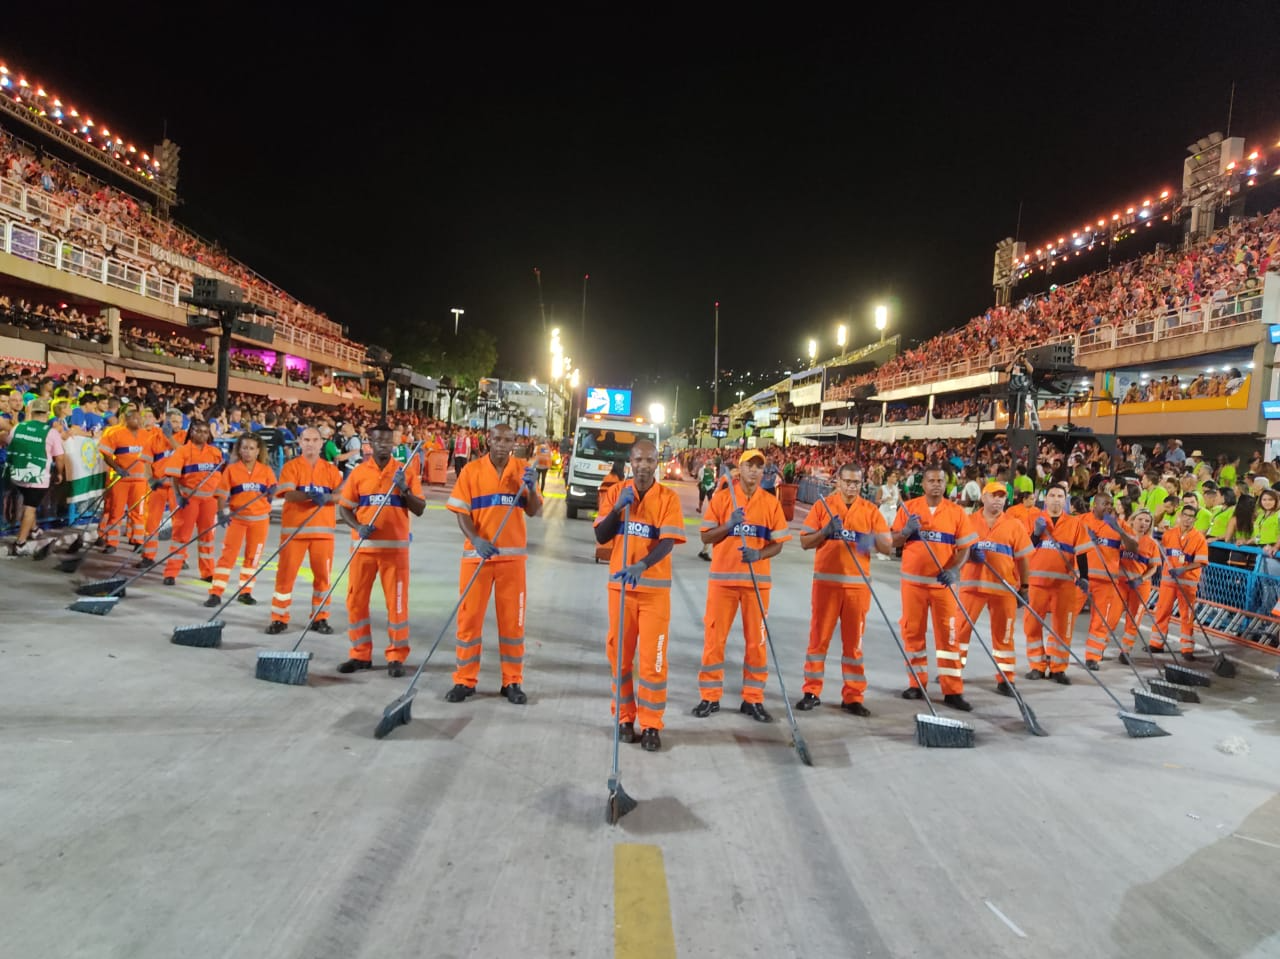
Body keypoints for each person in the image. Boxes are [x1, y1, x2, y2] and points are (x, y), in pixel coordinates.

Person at [593, 440, 686, 751]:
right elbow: (601, 535)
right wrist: (619, 507)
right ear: (630, 461)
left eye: (650, 460)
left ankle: (651, 724)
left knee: (653, 662)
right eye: (638, 460)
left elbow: (668, 542)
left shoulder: (668, 498)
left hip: (654, 594)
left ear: (657, 462)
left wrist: (642, 565)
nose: (644, 465)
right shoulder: (615, 492)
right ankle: (623, 717)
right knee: (619, 658)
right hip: (620, 592)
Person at [693, 448, 792, 722]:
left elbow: (778, 545)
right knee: (714, 641)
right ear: (740, 468)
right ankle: (710, 697)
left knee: (756, 644)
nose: (755, 471)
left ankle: (753, 699)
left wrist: (759, 554)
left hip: (756, 586)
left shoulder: (770, 503)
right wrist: (729, 525)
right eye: (750, 465)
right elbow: (707, 536)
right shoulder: (723, 498)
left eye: (760, 467)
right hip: (723, 584)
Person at [444, 423, 541, 701]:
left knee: (513, 623)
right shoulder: (472, 471)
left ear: (514, 443)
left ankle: (512, 681)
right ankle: (465, 680)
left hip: (512, 561)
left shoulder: (522, 470)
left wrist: (531, 490)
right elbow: (461, 511)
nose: (501, 444)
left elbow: (533, 511)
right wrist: (475, 540)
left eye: (507, 440)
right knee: (469, 620)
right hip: (477, 559)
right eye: (497, 438)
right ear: (488, 440)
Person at [796, 462, 891, 716]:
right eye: (847, 481)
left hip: (857, 589)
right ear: (837, 481)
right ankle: (812, 691)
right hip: (826, 585)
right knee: (818, 640)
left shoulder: (870, 511)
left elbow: (887, 545)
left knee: (854, 645)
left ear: (862, 484)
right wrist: (826, 532)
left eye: (856, 483)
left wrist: (862, 539)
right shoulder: (823, 506)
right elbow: (805, 541)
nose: (851, 486)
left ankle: (853, 696)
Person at [337, 423, 426, 677]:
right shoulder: (358, 473)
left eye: (388, 442)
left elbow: (419, 508)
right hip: (363, 550)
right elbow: (344, 508)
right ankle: (359, 654)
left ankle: (396, 657)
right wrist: (358, 525)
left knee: (397, 606)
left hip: (395, 553)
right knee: (356, 602)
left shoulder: (405, 472)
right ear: (370, 443)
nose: (383, 446)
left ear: (394, 444)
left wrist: (404, 489)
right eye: (379, 442)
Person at [890, 463, 977, 710]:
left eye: (940, 481)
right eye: (931, 480)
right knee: (913, 633)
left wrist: (954, 569)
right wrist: (906, 532)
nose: (936, 485)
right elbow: (893, 540)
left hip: (943, 587)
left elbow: (964, 548)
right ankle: (916, 684)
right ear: (924, 483)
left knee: (948, 637)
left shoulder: (956, 512)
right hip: (913, 585)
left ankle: (953, 690)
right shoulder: (909, 509)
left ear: (946, 484)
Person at [955, 482, 1033, 695]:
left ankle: (1006, 679)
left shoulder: (1015, 525)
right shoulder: (968, 522)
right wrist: (969, 555)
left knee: (1004, 636)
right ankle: (953, 672)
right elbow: (957, 552)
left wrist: (1024, 587)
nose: (998, 500)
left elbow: (1023, 559)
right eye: (993, 495)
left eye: (1001, 496)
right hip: (972, 586)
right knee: (960, 631)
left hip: (1004, 588)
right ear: (983, 497)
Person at [267, 427, 343, 635]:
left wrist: (327, 498)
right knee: (285, 576)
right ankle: (279, 618)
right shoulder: (291, 467)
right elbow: (289, 495)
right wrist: (311, 495)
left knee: (322, 578)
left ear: (322, 443)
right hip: (295, 533)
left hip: (323, 534)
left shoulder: (330, 470)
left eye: (315, 440)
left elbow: (341, 495)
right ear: (300, 442)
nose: (310, 443)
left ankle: (320, 617)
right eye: (306, 439)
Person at [1023, 485, 1088, 681]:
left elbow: (1082, 552)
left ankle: (1059, 668)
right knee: (1032, 625)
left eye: (1060, 496)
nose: (1056, 499)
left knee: (1063, 627)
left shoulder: (1075, 523)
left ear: (1065, 500)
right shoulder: (1033, 519)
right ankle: (1037, 665)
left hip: (1064, 585)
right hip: (1037, 583)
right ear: (1045, 499)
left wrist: (1084, 576)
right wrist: (1035, 534)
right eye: (1052, 495)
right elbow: (1023, 548)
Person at [205, 434, 276, 608]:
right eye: (244, 448)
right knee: (227, 556)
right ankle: (216, 593)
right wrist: (221, 512)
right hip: (238, 519)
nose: (248, 452)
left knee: (253, 558)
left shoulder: (266, 470)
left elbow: (273, 493)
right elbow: (222, 493)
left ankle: (245, 591)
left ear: (258, 451)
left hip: (260, 521)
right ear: (239, 449)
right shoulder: (231, 469)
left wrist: (273, 490)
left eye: (252, 448)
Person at [1078, 494, 1140, 669]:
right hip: (1080, 578)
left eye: (1111, 504)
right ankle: (1056, 657)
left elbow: (1134, 548)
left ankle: (1093, 657)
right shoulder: (1081, 521)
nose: (1109, 507)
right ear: (1094, 505)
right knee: (1066, 615)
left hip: (1106, 581)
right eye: (1105, 503)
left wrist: (1119, 531)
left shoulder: (1119, 524)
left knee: (1100, 621)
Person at [162, 420, 223, 585]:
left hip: (209, 500)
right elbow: (173, 475)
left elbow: (220, 477)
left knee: (207, 536)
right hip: (189, 500)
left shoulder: (215, 452)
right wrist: (178, 496)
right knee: (181, 536)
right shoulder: (182, 451)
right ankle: (171, 572)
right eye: (198, 431)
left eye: (205, 432)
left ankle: (207, 571)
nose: (202, 435)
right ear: (192, 432)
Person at [5, 398, 65, 558]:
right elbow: (59, 458)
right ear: (47, 413)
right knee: (30, 509)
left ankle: (34, 530)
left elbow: (9, 442)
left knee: (27, 502)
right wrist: (59, 473)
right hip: (37, 477)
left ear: (31, 412)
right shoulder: (51, 432)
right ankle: (20, 544)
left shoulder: (18, 426)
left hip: (16, 474)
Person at [1151, 505, 1209, 659]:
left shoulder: (1199, 538)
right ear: (1180, 516)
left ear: (1195, 520)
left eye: (1191, 517)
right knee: (1162, 611)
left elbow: (1201, 562)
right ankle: (1156, 644)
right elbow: (1159, 549)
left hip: (1187, 583)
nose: (1187, 519)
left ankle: (1187, 649)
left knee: (1187, 615)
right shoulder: (1169, 534)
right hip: (1168, 581)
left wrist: (1182, 570)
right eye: (1185, 515)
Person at [96, 405, 153, 553]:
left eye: (139, 418)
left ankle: (138, 540)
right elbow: (106, 454)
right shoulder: (115, 433)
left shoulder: (147, 435)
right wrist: (117, 468)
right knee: (116, 512)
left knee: (138, 512)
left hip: (140, 482)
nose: (137, 420)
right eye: (133, 418)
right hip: (121, 480)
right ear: (126, 419)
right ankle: (111, 543)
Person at [1116, 509, 1160, 661]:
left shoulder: (1152, 544)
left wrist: (1141, 579)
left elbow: (1154, 567)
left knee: (1134, 619)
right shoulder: (1122, 538)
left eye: (1147, 521)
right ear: (1133, 520)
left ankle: (1125, 651)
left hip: (1140, 586)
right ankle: (1098, 650)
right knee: (1112, 617)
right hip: (1120, 583)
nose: (1143, 523)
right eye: (1140, 519)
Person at [140, 408, 181, 569]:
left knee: (179, 523)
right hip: (158, 485)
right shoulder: (153, 439)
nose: (178, 425)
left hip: (176, 487)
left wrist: (170, 437)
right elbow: (147, 462)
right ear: (167, 422)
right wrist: (150, 480)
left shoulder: (185, 437)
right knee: (152, 522)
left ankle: (179, 558)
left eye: (180, 422)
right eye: (175, 421)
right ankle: (148, 556)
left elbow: (182, 452)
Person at [1006, 350, 1034, 429]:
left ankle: (1021, 425)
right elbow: (1007, 370)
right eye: (1020, 356)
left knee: (1022, 408)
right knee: (1012, 409)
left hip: (1022, 389)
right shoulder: (1013, 364)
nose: (1021, 358)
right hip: (1013, 389)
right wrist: (1014, 360)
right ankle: (1011, 424)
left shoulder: (1026, 365)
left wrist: (1025, 362)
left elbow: (1031, 370)